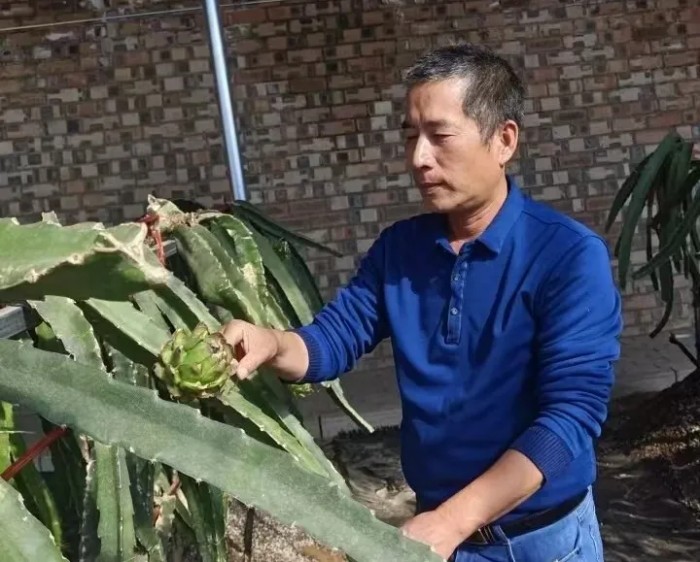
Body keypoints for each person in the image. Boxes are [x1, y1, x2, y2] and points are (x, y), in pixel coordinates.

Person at [221, 42, 622, 562]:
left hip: (541, 542)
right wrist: (271, 343)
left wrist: (452, 521)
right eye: (411, 136)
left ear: (503, 140)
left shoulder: (567, 255)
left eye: (440, 136)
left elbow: (570, 418)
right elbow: (332, 341)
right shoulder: (401, 250)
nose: (419, 158)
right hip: (443, 539)